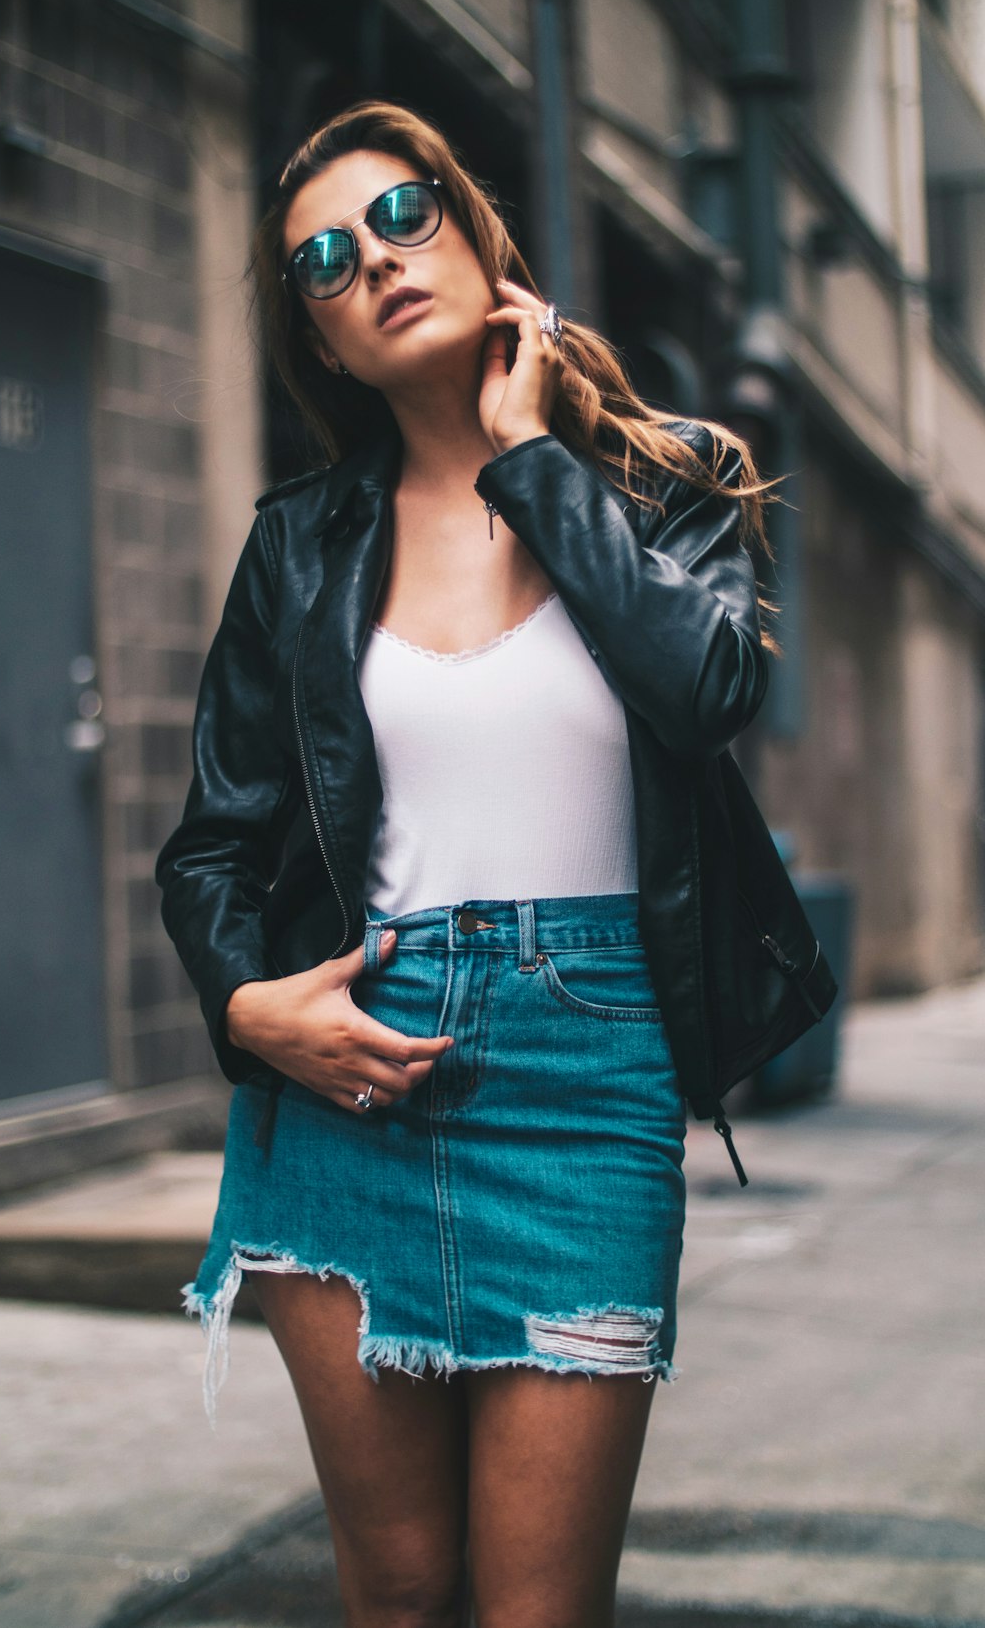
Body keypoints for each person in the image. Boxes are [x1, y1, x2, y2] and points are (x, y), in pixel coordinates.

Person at [155, 98, 781, 1628]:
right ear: (320, 339)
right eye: (321, 258)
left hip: (591, 1093)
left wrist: (526, 456)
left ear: (473, 227)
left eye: (402, 215)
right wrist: (246, 1009)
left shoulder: (667, 480)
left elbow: (707, 690)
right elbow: (213, 844)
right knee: (402, 1589)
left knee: (537, 1612)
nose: (371, 260)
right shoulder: (298, 545)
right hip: (346, 1078)